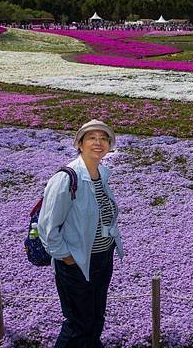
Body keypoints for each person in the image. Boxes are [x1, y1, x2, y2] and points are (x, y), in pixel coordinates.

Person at [38, 119, 124, 348]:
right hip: (76, 262)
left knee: (95, 321)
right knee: (79, 325)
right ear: (80, 144)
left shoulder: (101, 175)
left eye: (104, 138)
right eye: (92, 138)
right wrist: (67, 258)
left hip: (101, 259)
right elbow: (48, 228)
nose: (99, 142)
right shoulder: (67, 177)